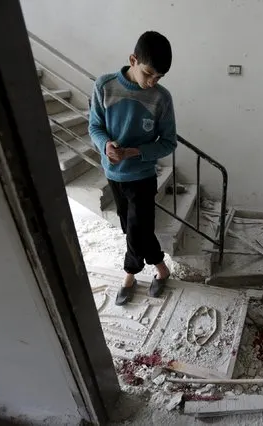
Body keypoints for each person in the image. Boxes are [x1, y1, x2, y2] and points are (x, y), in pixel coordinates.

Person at [88, 31, 176, 305]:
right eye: (148, 73)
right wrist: (106, 146)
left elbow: (168, 143)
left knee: (137, 228)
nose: (152, 82)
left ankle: (129, 275)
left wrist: (137, 151)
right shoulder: (105, 85)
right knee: (132, 228)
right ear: (133, 59)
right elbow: (94, 126)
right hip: (113, 174)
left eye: (158, 78)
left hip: (142, 176)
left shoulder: (161, 98)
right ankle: (161, 269)